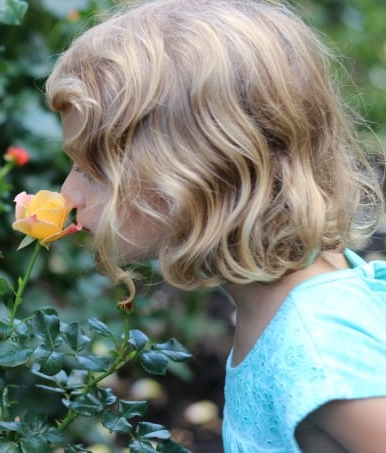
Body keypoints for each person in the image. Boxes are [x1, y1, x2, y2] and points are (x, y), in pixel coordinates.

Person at [45, 0, 386, 451]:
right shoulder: (284, 304)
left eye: (93, 169)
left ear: (199, 171)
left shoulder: (318, 352)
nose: (68, 194)